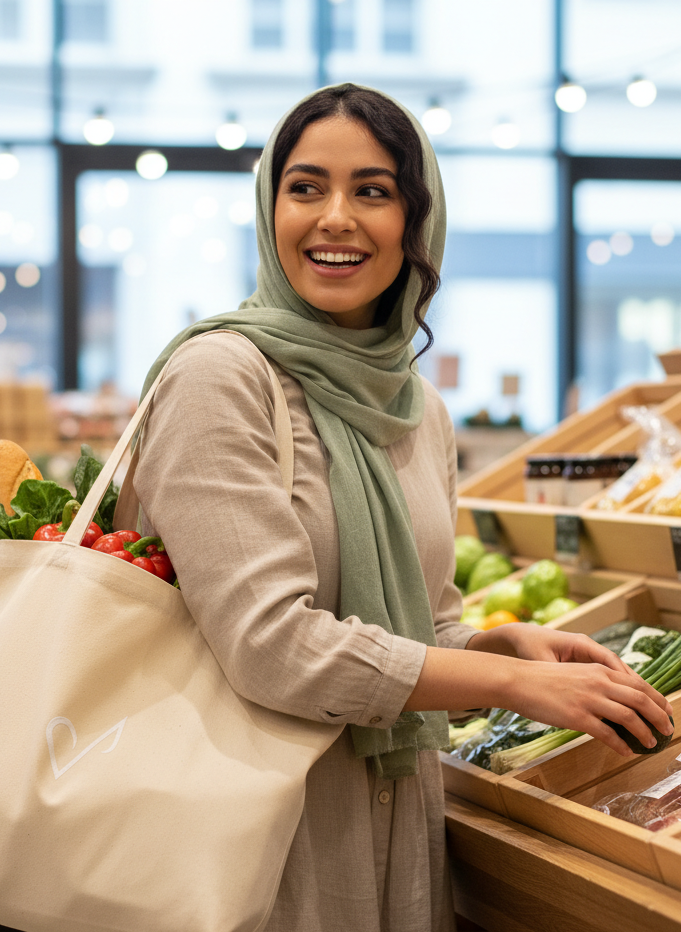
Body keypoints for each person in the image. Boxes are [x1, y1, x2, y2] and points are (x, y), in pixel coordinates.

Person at [130, 83, 673, 932]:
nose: (335, 218)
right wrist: (508, 682)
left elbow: (424, 632)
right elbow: (273, 647)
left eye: (373, 191)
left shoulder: (418, 409)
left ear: (417, 222)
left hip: (394, 814)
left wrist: (499, 645)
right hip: (263, 830)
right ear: (270, 208)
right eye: (305, 187)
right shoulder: (220, 378)